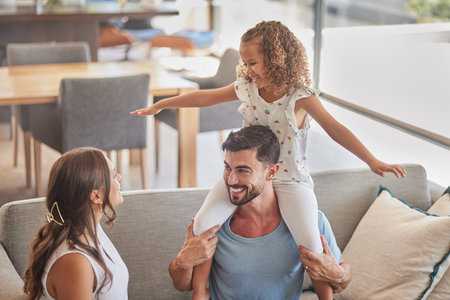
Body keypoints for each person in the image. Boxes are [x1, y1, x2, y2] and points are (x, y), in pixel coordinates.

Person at [132, 20, 404, 299]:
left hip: (290, 180)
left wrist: (372, 161)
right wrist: (162, 104)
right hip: (249, 174)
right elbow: (205, 97)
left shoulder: (300, 97)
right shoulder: (246, 87)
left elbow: (336, 129)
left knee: (311, 245)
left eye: (253, 63)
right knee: (202, 226)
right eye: (245, 64)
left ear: (276, 60)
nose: (248, 71)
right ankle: (200, 294)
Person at [169, 125, 351, 299]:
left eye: (243, 170)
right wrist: (182, 262)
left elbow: (340, 284)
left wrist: (339, 274)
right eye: (227, 168)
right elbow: (184, 286)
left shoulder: (309, 222)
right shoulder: (215, 223)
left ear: (271, 172)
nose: (231, 180)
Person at [23, 147, 128, 300]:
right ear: (96, 196)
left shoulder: (89, 227)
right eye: (112, 175)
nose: (119, 176)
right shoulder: (75, 263)